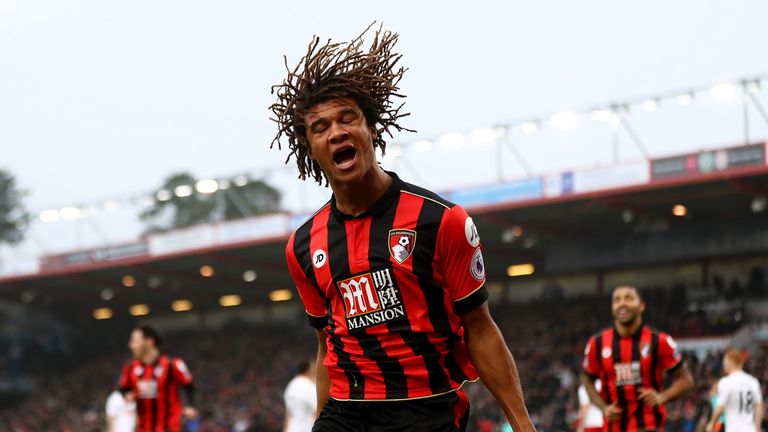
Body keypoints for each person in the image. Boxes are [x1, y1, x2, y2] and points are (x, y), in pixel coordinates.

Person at [272, 23, 535, 432]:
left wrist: (523, 426)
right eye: (320, 127)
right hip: (345, 413)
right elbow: (327, 349)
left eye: (348, 118)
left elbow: (480, 328)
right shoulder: (303, 246)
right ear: (310, 149)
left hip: (425, 410)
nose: (337, 131)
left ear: (371, 130)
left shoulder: (440, 220)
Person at [581, 285, 694, 432]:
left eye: (628, 298)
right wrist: (603, 407)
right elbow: (587, 380)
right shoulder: (596, 344)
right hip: (612, 428)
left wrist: (662, 397)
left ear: (641, 306)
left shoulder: (659, 341)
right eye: (617, 300)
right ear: (612, 307)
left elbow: (686, 381)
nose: (622, 303)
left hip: (648, 426)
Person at [118, 325, 197, 432]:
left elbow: (189, 386)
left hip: (170, 428)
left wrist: (191, 406)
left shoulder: (172, 365)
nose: (131, 345)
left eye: (135, 341)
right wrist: (127, 395)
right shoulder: (130, 367)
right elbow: (123, 388)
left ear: (149, 342)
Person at [707, 349, 763, 432]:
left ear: (729, 363)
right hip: (750, 429)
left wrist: (712, 423)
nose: (724, 366)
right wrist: (757, 427)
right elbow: (759, 407)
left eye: (724, 362)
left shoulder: (725, 382)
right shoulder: (753, 381)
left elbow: (720, 408)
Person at [284, 359, 318, 432]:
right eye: (313, 368)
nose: (315, 370)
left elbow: (288, 414)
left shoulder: (290, 386)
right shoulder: (309, 387)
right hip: (306, 428)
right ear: (308, 370)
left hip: (291, 429)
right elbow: (318, 411)